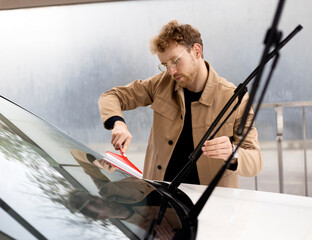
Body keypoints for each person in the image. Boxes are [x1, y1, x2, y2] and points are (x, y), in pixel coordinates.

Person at [98, 20, 262, 188]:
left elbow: (255, 161)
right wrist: (118, 123)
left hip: (208, 204)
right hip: (158, 199)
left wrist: (233, 152)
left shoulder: (234, 98)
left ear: (197, 51)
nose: (171, 71)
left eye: (175, 60)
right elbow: (111, 96)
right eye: (165, 65)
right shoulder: (161, 83)